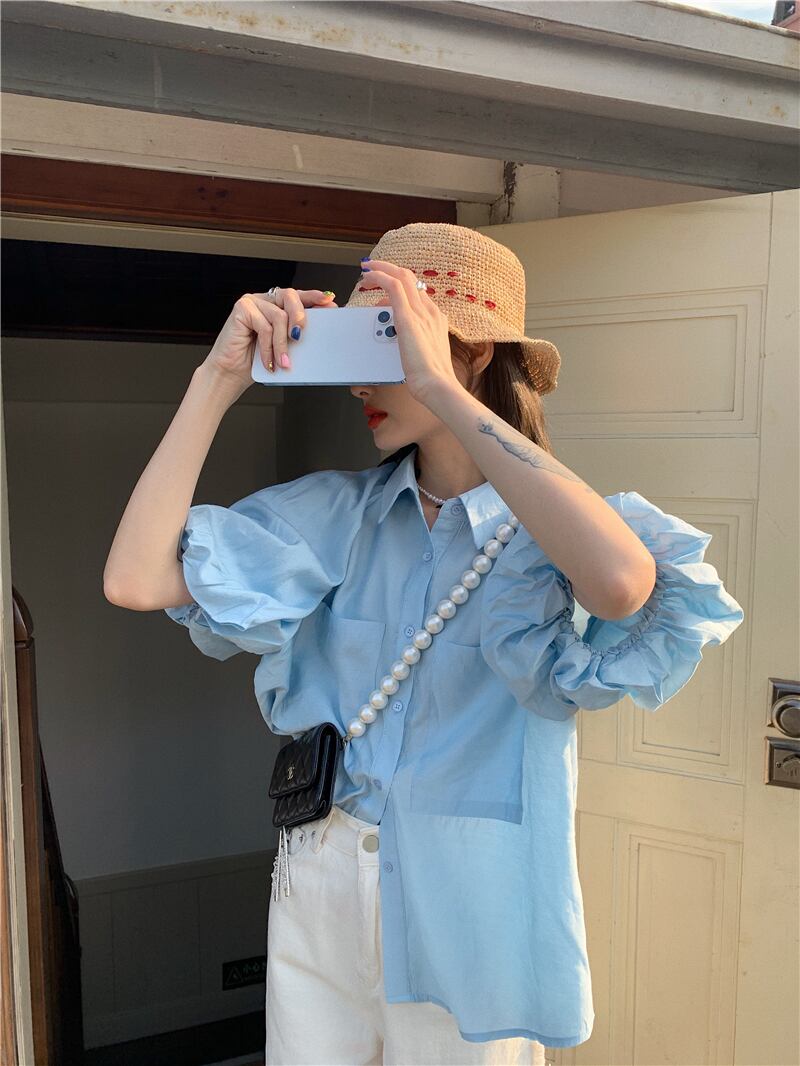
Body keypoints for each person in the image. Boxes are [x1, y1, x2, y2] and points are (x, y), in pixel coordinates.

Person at [104, 222, 744, 1066]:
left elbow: (623, 584)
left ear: (470, 353)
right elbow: (134, 579)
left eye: (385, 343)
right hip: (322, 867)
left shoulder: (550, 532)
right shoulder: (336, 514)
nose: (359, 383)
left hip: (476, 889)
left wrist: (438, 387)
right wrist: (217, 379)